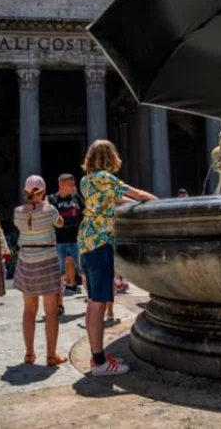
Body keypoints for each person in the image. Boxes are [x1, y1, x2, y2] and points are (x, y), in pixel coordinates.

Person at [78, 140, 158, 376]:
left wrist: (133, 203)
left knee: (94, 301)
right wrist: (161, 203)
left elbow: (116, 200)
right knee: (98, 302)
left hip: (86, 241)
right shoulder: (105, 178)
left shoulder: (86, 180)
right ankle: (100, 363)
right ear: (109, 157)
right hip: (101, 242)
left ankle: (98, 357)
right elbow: (137, 194)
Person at [13, 175, 67, 366]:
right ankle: (51, 355)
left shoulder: (18, 212)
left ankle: (29, 354)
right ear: (43, 191)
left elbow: (22, 225)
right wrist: (48, 204)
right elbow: (60, 223)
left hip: (26, 261)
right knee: (51, 311)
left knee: (29, 310)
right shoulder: (50, 209)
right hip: (47, 260)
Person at [48, 174, 85, 294]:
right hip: (59, 241)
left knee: (83, 270)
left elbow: (85, 214)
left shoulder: (76, 197)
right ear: (61, 184)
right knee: (59, 272)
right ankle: (58, 301)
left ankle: (91, 297)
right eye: (71, 184)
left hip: (76, 239)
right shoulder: (51, 199)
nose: (74, 187)